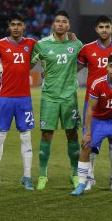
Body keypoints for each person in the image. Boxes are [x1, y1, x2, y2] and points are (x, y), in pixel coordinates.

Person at [31, 10, 83, 190]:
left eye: (64, 22)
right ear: (53, 25)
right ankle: (42, 175)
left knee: (72, 134)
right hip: (49, 97)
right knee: (46, 135)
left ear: (68, 25)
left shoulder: (76, 44)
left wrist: (70, 73)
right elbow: (27, 64)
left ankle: (75, 174)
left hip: (69, 97)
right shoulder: (42, 45)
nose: (60, 24)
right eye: (57, 21)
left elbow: (86, 60)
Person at [71, 53, 112, 196]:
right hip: (98, 121)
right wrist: (87, 133)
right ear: (107, 67)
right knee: (86, 147)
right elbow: (90, 109)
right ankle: (81, 184)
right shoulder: (98, 83)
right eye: (111, 66)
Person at [0, 12, 35, 191]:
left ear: (24, 26)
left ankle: (27, 176)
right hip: (4, 98)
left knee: (26, 138)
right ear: (9, 26)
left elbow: (43, 54)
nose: (16, 27)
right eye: (13, 24)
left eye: (19, 24)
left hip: (24, 99)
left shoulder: (31, 44)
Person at [77, 15, 112, 191]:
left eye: (107, 26)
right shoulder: (87, 49)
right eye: (101, 27)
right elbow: (74, 69)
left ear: (111, 28)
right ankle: (89, 177)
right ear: (96, 30)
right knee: (89, 140)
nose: (104, 30)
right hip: (92, 102)